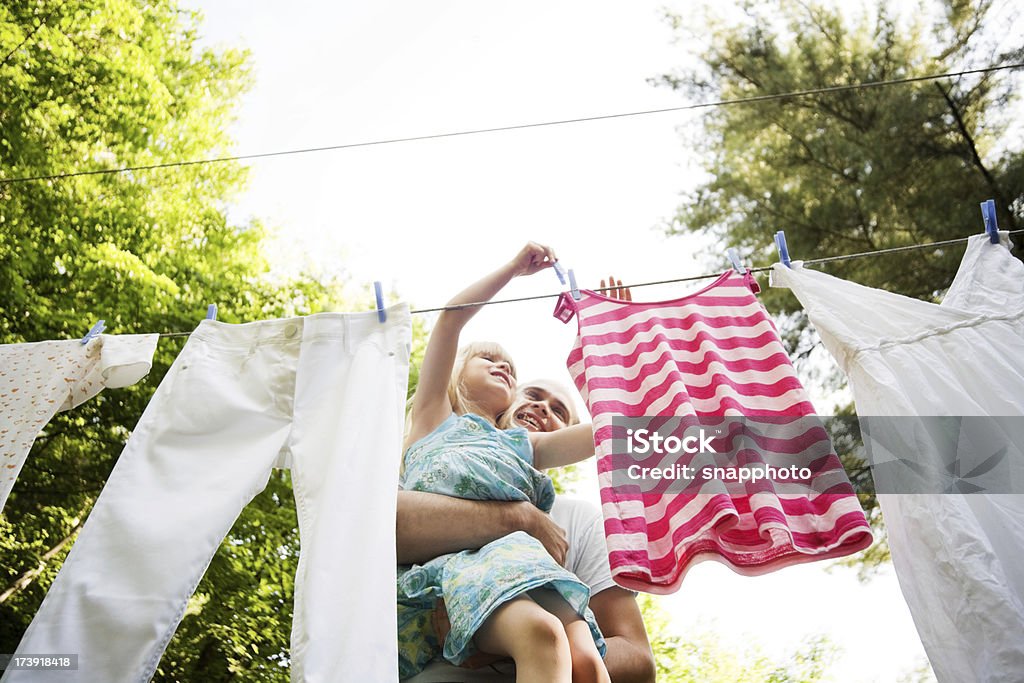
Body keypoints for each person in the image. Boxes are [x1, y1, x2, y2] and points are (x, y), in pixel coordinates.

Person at [397, 243, 611, 683]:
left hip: (530, 562)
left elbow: (603, 433)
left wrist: (610, 337)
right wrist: (513, 269)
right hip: (468, 565)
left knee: (588, 663)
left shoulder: (516, 444)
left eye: (510, 366)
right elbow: (451, 317)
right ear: (459, 372)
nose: (503, 367)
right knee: (543, 636)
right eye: (488, 359)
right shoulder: (434, 418)